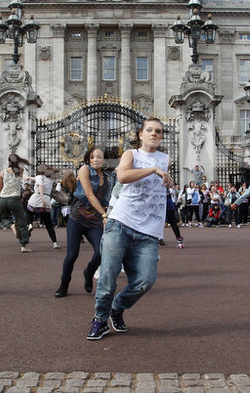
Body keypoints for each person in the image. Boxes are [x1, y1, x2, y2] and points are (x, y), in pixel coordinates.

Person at [87, 118, 173, 340]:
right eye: (150, 130)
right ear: (141, 134)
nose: (154, 134)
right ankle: (100, 319)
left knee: (145, 281)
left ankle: (118, 306)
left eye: (159, 131)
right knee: (108, 276)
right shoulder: (131, 154)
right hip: (121, 222)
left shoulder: (166, 159)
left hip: (149, 231)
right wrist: (153, 169)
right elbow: (123, 176)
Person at [56, 147, 112, 298]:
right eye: (92, 157)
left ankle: (89, 271)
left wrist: (107, 214)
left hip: (95, 222)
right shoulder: (84, 170)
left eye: (99, 157)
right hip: (77, 219)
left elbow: (107, 200)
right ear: (88, 159)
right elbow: (88, 193)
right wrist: (104, 213)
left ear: (104, 159)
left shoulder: (109, 178)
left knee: (101, 252)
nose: (95, 160)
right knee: (72, 254)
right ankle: (64, 284)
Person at [0, 153, 33, 252]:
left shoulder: (2, 172)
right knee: (21, 221)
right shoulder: (20, 171)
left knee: (3, 219)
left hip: (3, 198)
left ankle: (11, 226)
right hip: (14, 199)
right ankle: (23, 245)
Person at [28, 164, 59, 249]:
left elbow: (40, 186)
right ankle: (55, 242)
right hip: (47, 200)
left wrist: (42, 198)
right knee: (48, 224)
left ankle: (29, 224)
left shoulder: (39, 177)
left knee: (28, 211)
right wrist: (30, 178)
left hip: (37, 198)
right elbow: (36, 179)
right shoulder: (50, 180)